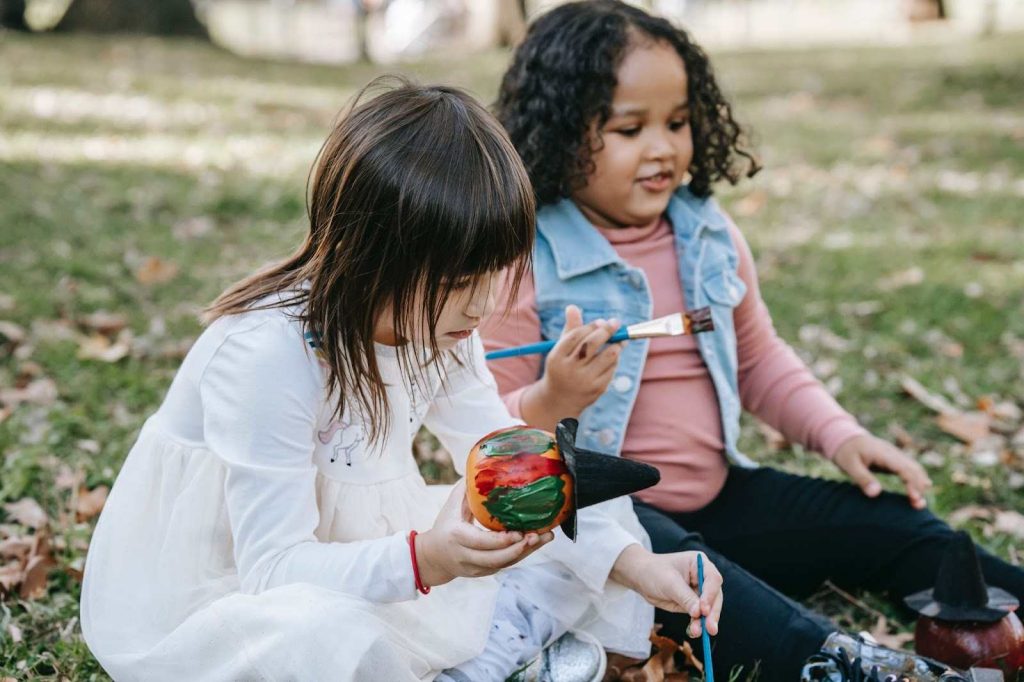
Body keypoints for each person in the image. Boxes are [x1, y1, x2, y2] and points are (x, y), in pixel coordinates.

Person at [80, 77, 723, 682]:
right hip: (226, 587)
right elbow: (272, 570)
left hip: (357, 547)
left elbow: (506, 451)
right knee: (318, 632)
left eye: (494, 274)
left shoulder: (443, 329)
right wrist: (426, 560)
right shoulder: (265, 356)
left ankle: (480, 658)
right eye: (453, 285)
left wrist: (638, 567)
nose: (478, 309)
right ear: (365, 258)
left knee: (587, 513)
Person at [483, 3, 1024, 680]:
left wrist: (841, 436)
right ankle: (836, 663)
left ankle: (1002, 611)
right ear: (559, 132)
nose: (663, 147)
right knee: (707, 583)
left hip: (721, 497)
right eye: (630, 128)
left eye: (678, 122)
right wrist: (550, 397)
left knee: (895, 525)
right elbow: (485, 437)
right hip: (612, 529)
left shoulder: (708, 234)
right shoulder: (522, 258)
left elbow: (761, 357)